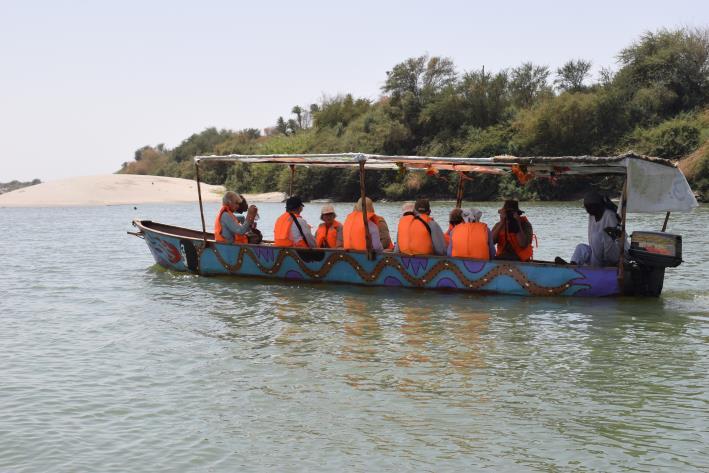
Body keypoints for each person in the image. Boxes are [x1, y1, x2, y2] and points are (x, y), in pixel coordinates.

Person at [563, 191, 626, 267]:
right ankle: (572, 266)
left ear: (597, 206)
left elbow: (617, 238)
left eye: (589, 207)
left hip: (612, 254)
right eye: (586, 208)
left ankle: (595, 268)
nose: (587, 211)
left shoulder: (609, 215)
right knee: (581, 247)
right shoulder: (591, 216)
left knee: (597, 236)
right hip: (598, 254)